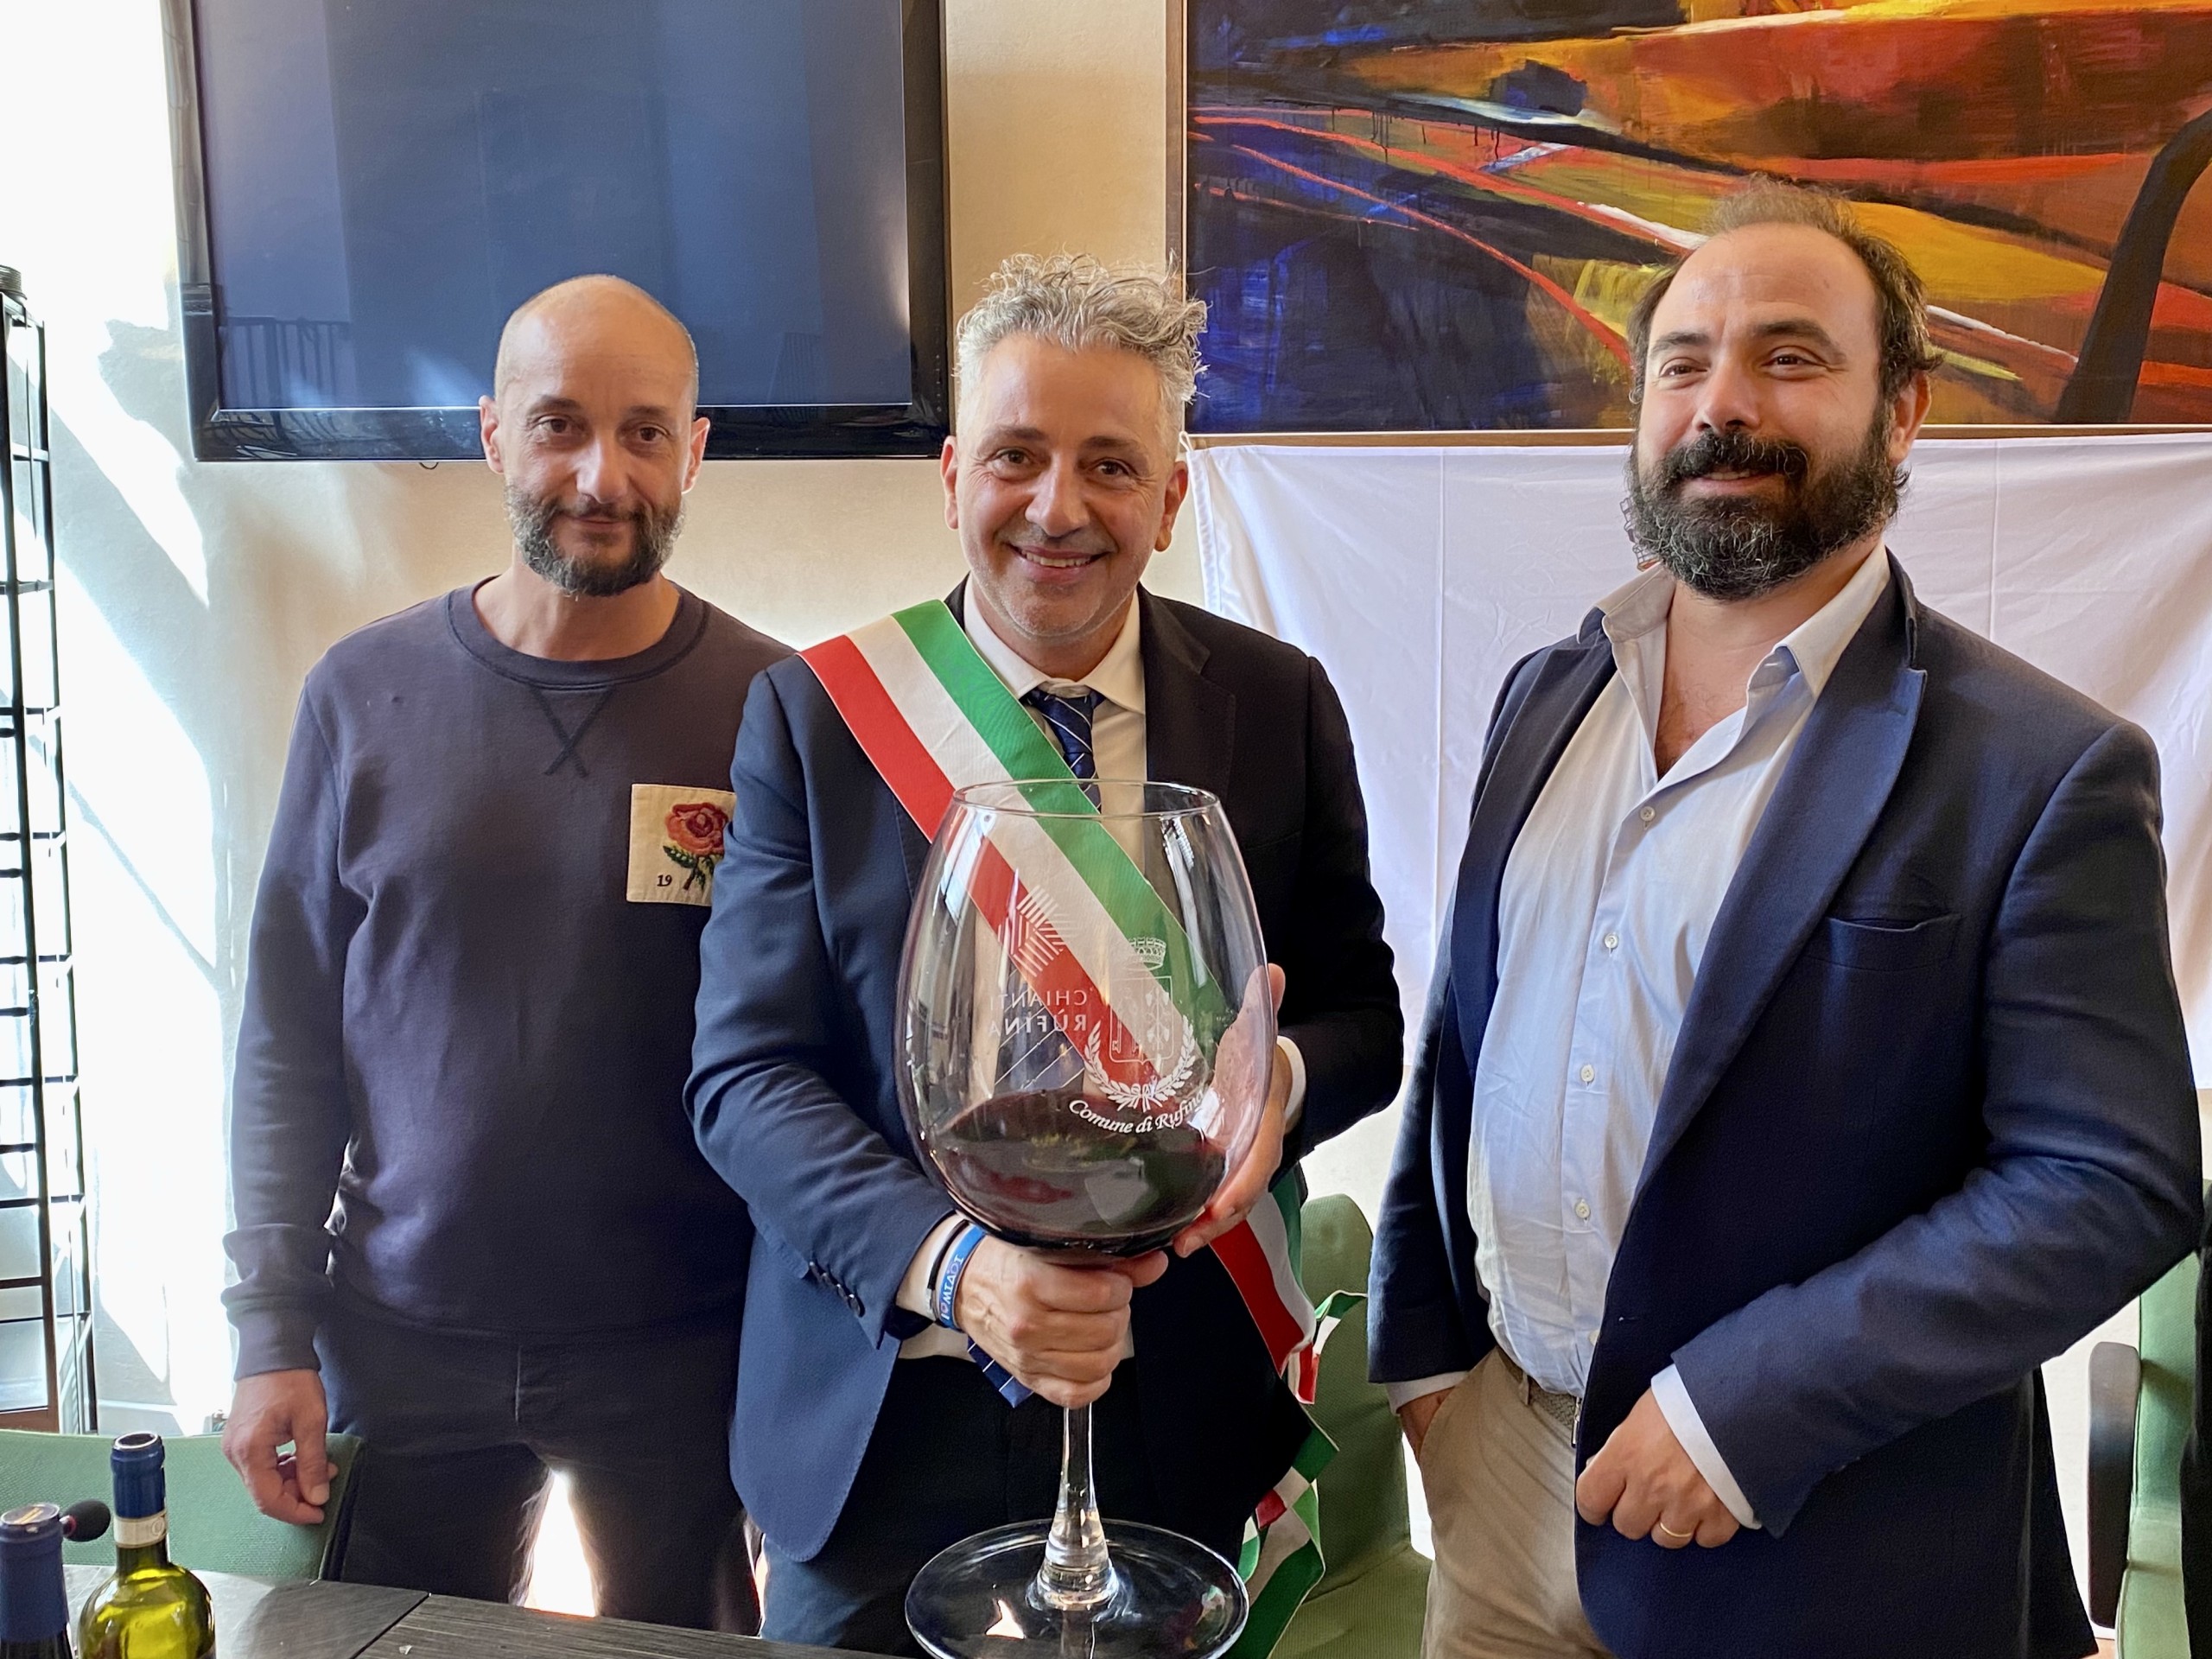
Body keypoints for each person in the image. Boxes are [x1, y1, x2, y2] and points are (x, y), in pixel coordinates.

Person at [1369, 184, 2203, 1659]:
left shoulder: (2039, 768)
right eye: (1682, 362)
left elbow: (2107, 1182)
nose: (1724, 403)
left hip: (1816, 1531)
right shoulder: (1543, 695)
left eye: (1792, 357)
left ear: (1903, 412)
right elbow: (1468, 1029)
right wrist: (1428, 1365)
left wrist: (1747, 1410)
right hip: (1501, 1492)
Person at [686, 253, 1404, 1654]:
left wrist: (1281, 1084)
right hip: (884, 1417)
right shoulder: (818, 722)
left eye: (1110, 465)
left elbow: (1359, 1014)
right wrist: (958, 1270)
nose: (1057, 510)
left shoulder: (1278, 703)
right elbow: (746, 1081)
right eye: (1016, 455)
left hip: (1178, 1412)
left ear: (1172, 496)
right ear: (954, 474)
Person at [220, 276, 785, 1631]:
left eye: (647, 432)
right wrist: (266, 1331)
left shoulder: (773, 711)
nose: (604, 473)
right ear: (492, 435)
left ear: (695, 449)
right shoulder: (361, 697)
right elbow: (288, 1040)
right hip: (404, 1341)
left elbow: (805, 1053)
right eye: (560, 426)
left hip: (683, 1352)